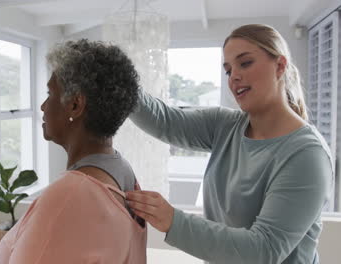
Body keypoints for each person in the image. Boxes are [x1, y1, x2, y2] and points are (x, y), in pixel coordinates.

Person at [126, 24, 333, 263]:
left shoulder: (307, 156)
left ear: (280, 66)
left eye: (245, 63)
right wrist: (120, 80)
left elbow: (263, 250)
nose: (234, 76)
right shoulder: (226, 126)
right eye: (228, 70)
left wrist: (173, 220)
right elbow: (165, 121)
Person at [0, 39, 147, 264]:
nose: (43, 106)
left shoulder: (70, 193)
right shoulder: (124, 173)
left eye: (50, 93)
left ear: (75, 105)